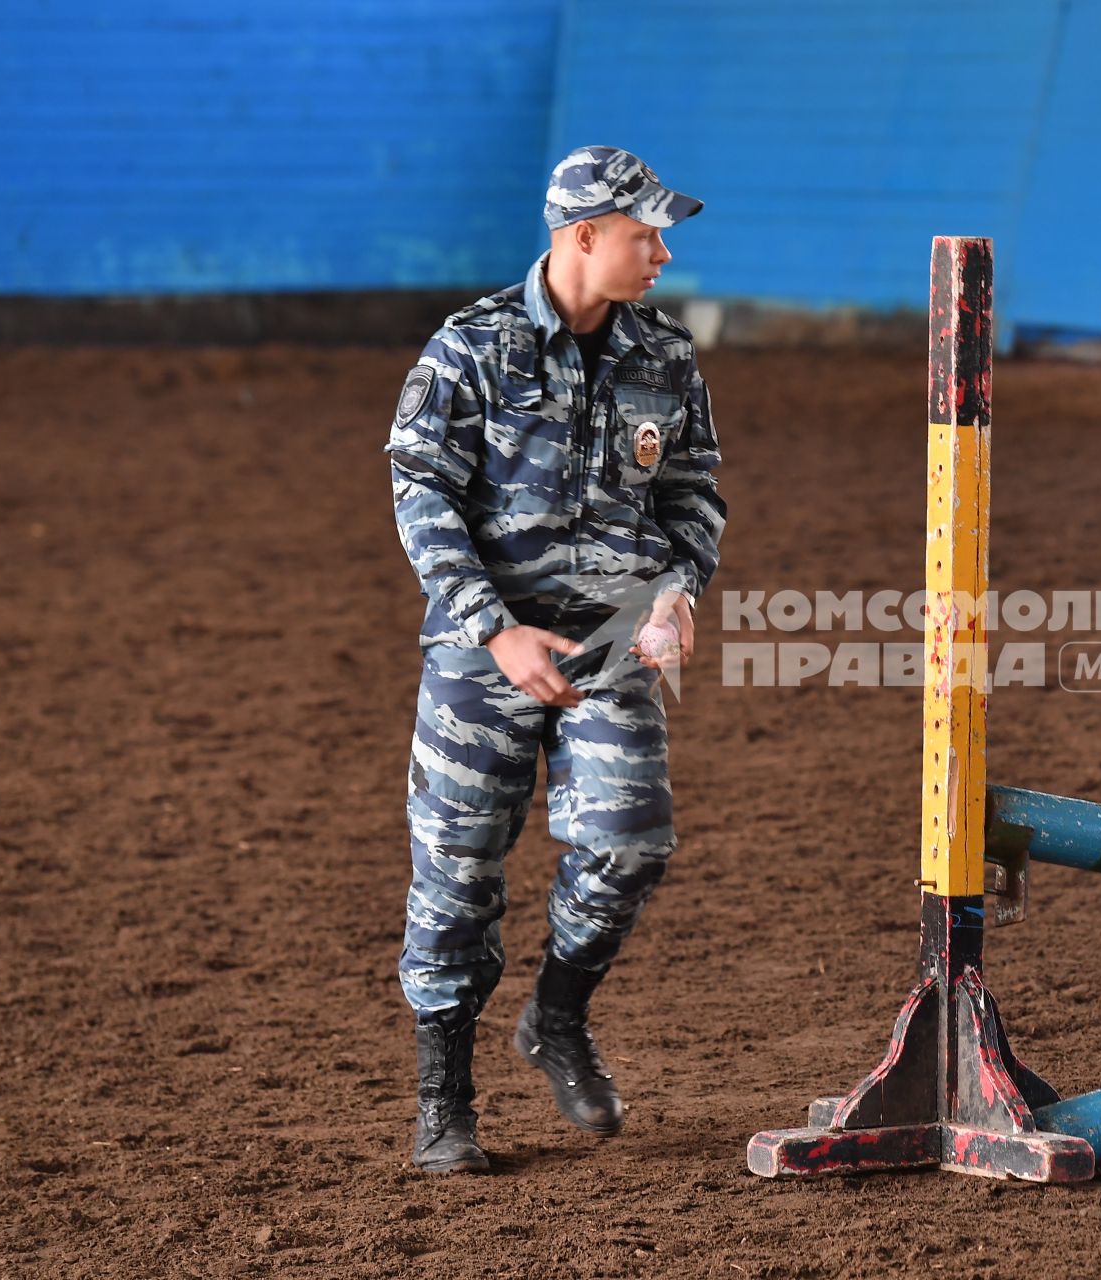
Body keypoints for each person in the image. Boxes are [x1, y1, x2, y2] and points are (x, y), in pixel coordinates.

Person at [385, 146, 725, 1173]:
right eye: (644, 235)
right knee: (455, 879)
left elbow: (694, 492)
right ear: (582, 236)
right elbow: (420, 490)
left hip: (610, 643)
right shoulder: (470, 349)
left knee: (631, 838)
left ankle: (556, 1015)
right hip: (482, 648)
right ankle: (445, 1098)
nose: (663, 253)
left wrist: (677, 590)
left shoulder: (666, 359)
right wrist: (492, 623)